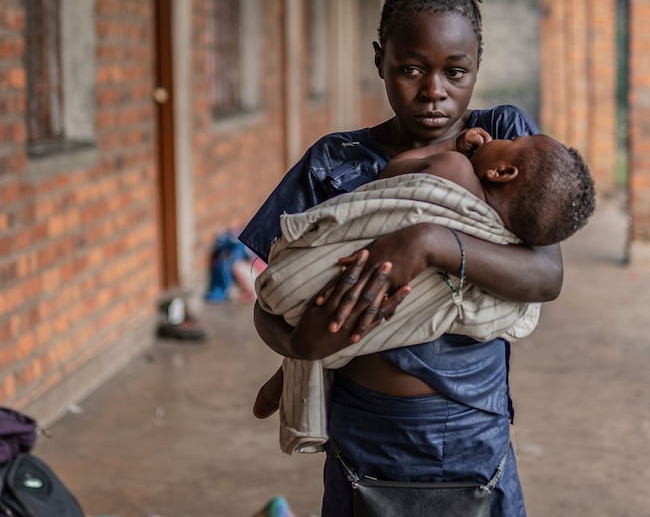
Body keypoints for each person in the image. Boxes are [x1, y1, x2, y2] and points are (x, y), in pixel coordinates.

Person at [241, 0, 565, 517]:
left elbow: (544, 273)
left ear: (478, 65)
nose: (434, 90)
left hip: (471, 438)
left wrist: (431, 242)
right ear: (378, 61)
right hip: (366, 441)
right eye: (411, 68)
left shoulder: (503, 139)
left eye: (456, 70)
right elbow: (272, 295)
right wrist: (301, 343)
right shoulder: (336, 163)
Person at [249, 124, 595, 443]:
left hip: (308, 287)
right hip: (446, 409)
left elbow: (394, 170)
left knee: (359, 296)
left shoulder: (455, 167)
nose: (434, 91)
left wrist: (452, 146)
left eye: (512, 141)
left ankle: (294, 367)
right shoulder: (505, 246)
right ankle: (299, 369)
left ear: (502, 172)